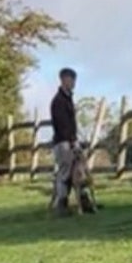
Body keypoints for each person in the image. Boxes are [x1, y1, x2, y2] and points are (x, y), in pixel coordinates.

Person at [50, 68, 80, 214]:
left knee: (77, 171)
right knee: (65, 172)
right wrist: (71, 140)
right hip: (63, 142)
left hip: (69, 140)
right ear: (63, 79)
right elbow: (62, 125)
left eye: (74, 80)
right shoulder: (59, 101)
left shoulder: (67, 98)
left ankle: (83, 202)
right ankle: (61, 204)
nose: (73, 83)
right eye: (71, 79)